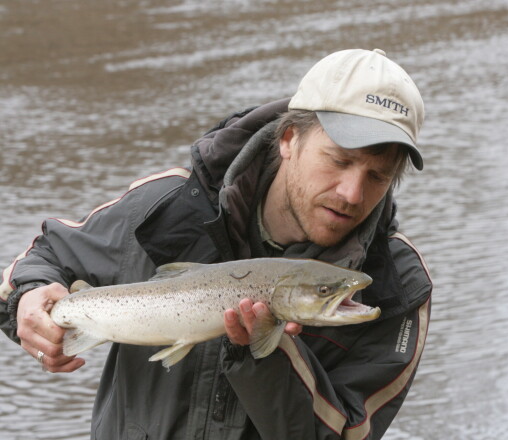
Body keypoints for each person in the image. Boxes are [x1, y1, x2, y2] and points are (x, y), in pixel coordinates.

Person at [0, 48, 432, 439]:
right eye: (338, 161)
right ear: (288, 139)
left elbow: (347, 436)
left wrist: (267, 350)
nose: (353, 193)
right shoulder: (165, 207)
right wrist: (28, 299)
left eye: (378, 176)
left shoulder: (397, 285)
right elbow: (45, 257)